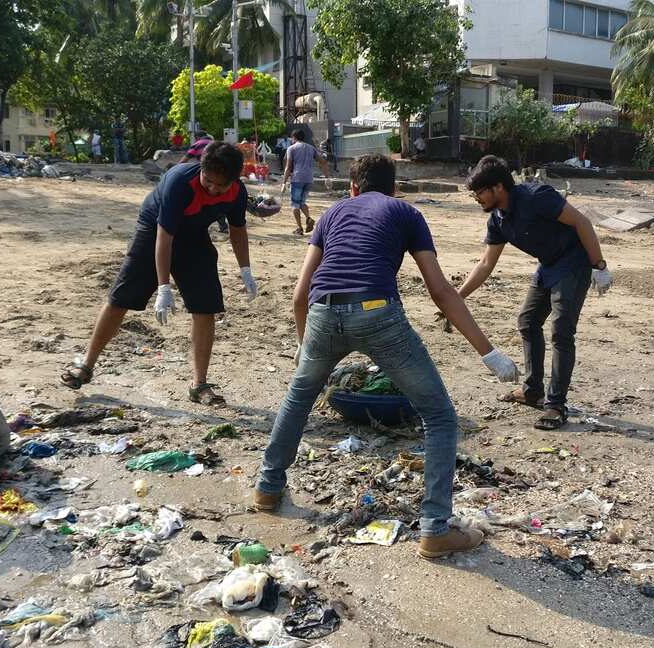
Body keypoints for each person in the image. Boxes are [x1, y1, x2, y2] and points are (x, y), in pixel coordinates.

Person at [253, 154, 520, 560]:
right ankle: (434, 530)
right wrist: (489, 352)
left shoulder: (331, 214)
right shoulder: (405, 213)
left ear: (353, 188)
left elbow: (299, 293)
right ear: (393, 188)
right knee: (439, 415)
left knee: (299, 397)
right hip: (378, 313)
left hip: (323, 310)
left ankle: (268, 489)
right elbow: (440, 291)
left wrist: (303, 345)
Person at [62, 142, 258, 406]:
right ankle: (86, 364)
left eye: (219, 186)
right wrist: (164, 287)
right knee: (122, 297)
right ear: (201, 169)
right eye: (208, 181)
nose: (212, 189)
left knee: (205, 306)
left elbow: (237, 229)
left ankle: (199, 384)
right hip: (153, 230)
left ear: (234, 181)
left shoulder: (237, 192)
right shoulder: (179, 182)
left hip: (194, 236)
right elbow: (164, 236)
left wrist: (245, 270)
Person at [458, 155, 612, 430]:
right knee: (528, 322)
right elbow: (485, 264)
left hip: (574, 262)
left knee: (562, 331)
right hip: (549, 265)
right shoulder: (498, 219)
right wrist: (458, 297)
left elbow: (582, 223)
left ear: (497, 188)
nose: (477, 198)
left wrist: (599, 265)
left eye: (479, 192)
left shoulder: (536, 196)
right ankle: (532, 391)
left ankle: (555, 406)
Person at [280, 129, 331, 236]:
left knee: (295, 204)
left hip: (297, 178)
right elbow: (322, 162)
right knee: (301, 202)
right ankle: (308, 218)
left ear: (294, 137)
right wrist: (327, 178)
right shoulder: (311, 148)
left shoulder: (291, 148)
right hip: (309, 179)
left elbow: (288, 167)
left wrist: (284, 183)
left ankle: (299, 228)